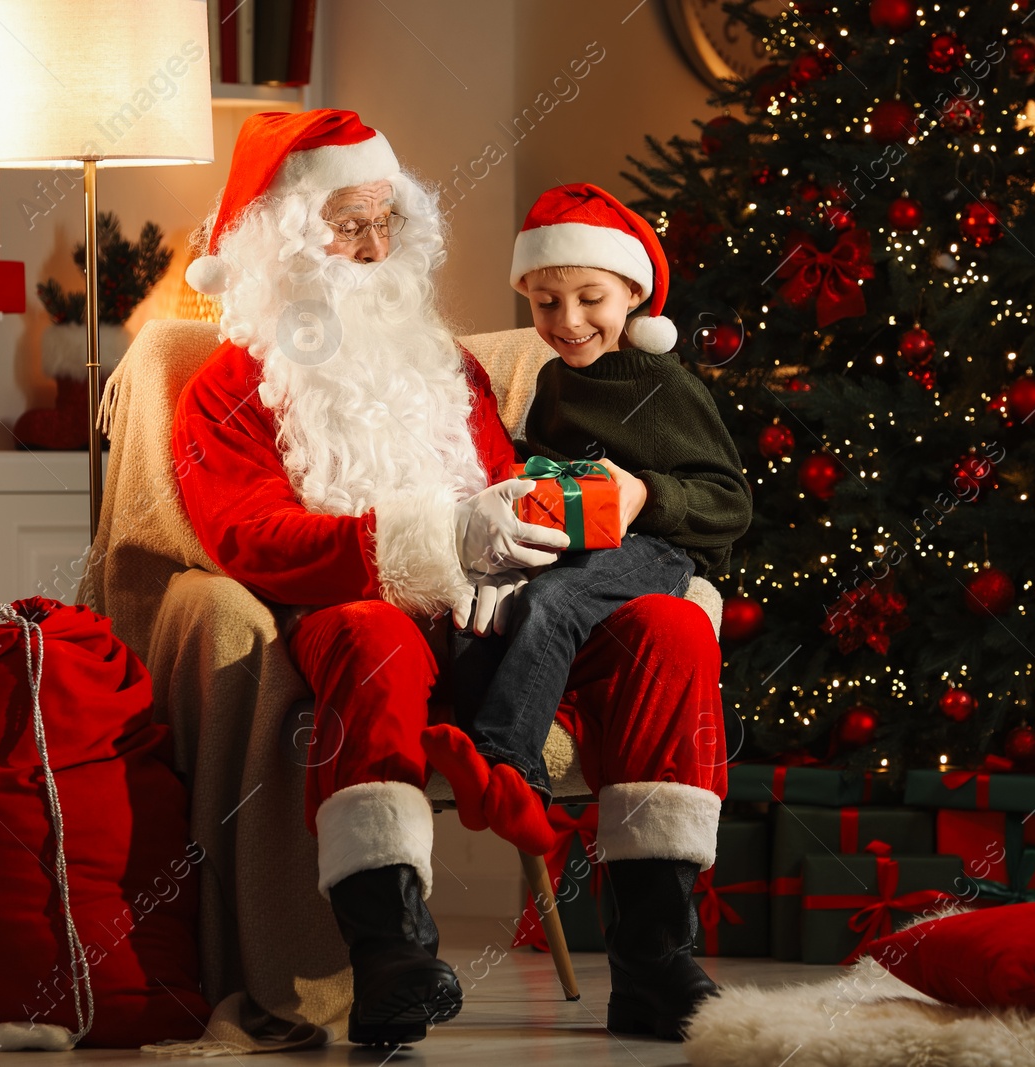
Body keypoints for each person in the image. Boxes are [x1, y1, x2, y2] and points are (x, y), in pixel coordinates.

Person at [173, 109, 727, 1046]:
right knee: (371, 635)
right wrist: (434, 541)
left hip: (500, 613)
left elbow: (511, 487)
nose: (375, 245)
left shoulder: (451, 369)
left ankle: (655, 959)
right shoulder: (227, 390)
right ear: (283, 241)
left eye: (387, 221)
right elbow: (249, 538)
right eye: (348, 224)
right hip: (368, 610)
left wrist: (527, 530)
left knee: (669, 628)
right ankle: (391, 953)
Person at [422, 183, 752, 862]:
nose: (567, 320)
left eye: (589, 299)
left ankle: (507, 762)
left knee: (553, 600)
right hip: (573, 540)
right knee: (485, 609)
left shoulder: (667, 386)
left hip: (652, 548)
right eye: (545, 303)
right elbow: (541, 464)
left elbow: (729, 500)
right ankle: (494, 767)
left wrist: (648, 495)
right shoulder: (555, 380)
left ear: (632, 293)